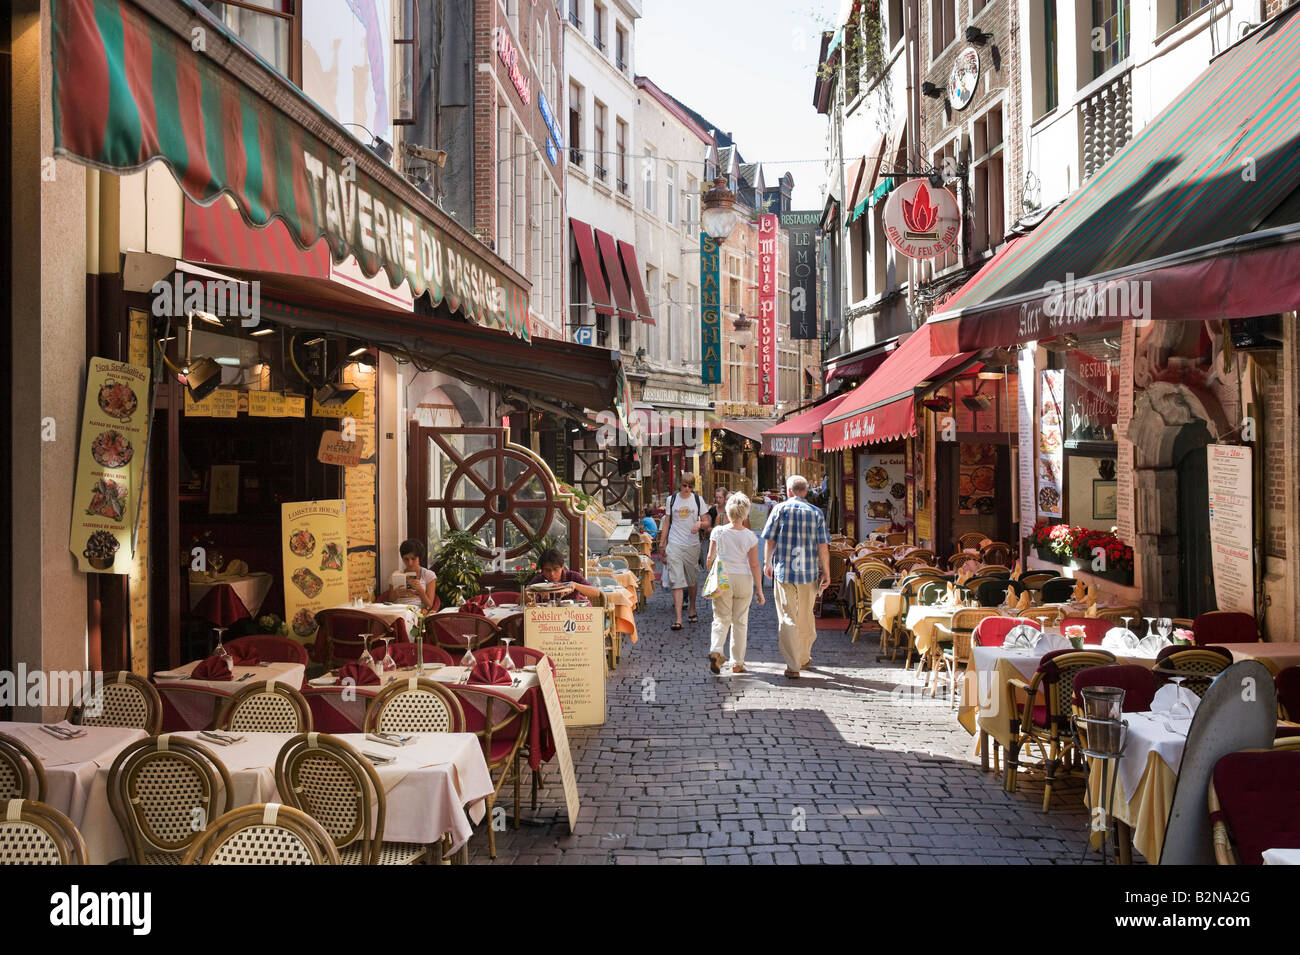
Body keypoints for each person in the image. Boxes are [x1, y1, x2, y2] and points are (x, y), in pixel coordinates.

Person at [759, 475, 831, 678]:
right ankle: (804, 657)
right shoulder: (816, 513)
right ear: (806, 491)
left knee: (787, 616)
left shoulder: (779, 510)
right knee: (806, 616)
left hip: (784, 572)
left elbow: (770, 540)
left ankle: (793, 665)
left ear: (789, 491)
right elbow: (823, 546)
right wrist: (826, 570)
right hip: (808, 573)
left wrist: (767, 562)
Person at [704, 492, 764, 674]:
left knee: (721, 618)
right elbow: (754, 564)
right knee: (740, 621)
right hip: (743, 578)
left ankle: (716, 650)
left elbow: (709, 558)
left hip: (723, 576)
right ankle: (737, 662)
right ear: (745, 514)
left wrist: (711, 573)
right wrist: (759, 590)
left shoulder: (718, 531)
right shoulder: (750, 537)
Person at [658, 472, 708, 630]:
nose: (687, 489)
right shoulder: (671, 500)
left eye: (690, 486)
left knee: (692, 580)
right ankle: (678, 618)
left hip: (692, 545)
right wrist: (662, 543)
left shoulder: (698, 500)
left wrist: (700, 525)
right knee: (676, 580)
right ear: (680, 485)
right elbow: (667, 522)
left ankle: (692, 608)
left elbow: (707, 521)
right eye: (684, 486)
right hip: (675, 544)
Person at [528, 548, 602, 601]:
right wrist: (536, 592)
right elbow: (521, 600)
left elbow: (596, 593)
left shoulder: (573, 576)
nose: (552, 574)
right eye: (547, 570)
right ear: (542, 569)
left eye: (555, 569)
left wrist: (575, 585)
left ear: (562, 566)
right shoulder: (539, 580)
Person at [389, 539, 438, 609]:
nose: (410, 563)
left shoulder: (428, 575)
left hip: (416, 610)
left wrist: (421, 591)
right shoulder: (396, 574)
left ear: (419, 558)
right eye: (406, 559)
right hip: (397, 609)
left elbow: (429, 606)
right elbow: (390, 600)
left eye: (413, 558)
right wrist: (397, 593)